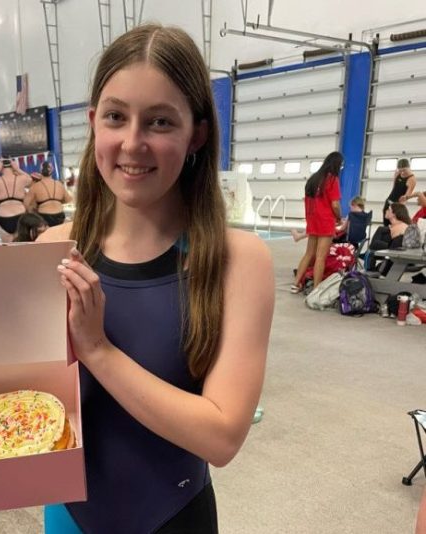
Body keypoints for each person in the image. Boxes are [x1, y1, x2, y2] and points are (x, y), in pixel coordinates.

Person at [38, 23, 274, 534]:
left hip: (173, 520)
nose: (132, 143)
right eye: (116, 117)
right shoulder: (53, 249)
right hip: (67, 519)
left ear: (198, 133)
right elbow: (34, 402)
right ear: (93, 121)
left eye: (160, 122)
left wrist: (97, 349)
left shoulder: (238, 261)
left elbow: (221, 437)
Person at [291, 151, 343, 293]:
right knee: (320, 257)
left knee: (309, 253)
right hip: (326, 221)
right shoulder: (332, 180)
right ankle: (316, 289)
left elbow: (307, 201)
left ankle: (296, 284)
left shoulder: (314, 179)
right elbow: (335, 204)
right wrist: (339, 217)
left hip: (313, 220)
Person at [291, 195, 367, 245]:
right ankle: (299, 236)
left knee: (319, 228)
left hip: (345, 238)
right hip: (359, 239)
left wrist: (337, 225)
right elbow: (354, 226)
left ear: (354, 205)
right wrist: (343, 222)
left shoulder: (351, 214)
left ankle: (299, 236)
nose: (350, 209)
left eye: (350, 207)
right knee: (323, 226)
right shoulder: (365, 215)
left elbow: (342, 228)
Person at [366, 202, 411, 272]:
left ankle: (370, 272)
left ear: (394, 214)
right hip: (394, 252)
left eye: (388, 209)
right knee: (372, 249)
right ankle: (370, 271)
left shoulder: (401, 227)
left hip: (397, 254)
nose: (386, 211)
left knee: (371, 250)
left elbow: (394, 247)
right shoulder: (396, 226)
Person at [25, 161, 72, 227]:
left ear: (40, 171)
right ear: (52, 170)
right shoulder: (59, 184)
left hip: (44, 216)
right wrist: (58, 201)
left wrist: (34, 209)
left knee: (46, 236)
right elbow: (68, 199)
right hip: (59, 215)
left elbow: (26, 204)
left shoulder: (35, 186)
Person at [383, 158, 416, 225]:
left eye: (404, 170)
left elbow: (406, 197)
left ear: (409, 167)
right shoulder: (397, 173)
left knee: (394, 224)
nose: (402, 172)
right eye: (400, 170)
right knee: (386, 222)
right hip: (389, 200)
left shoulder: (411, 179)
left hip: (398, 205)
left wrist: (399, 208)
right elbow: (394, 188)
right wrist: (389, 201)